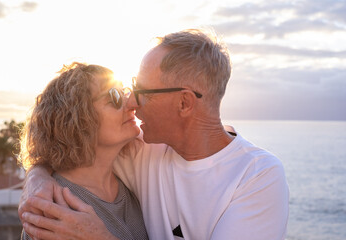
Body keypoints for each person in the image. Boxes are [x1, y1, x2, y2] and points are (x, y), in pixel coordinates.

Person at [19, 29, 289, 240]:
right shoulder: (142, 149)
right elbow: (67, 148)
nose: (132, 102)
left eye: (142, 91)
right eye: (127, 89)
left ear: (184, 103)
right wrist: (37, 181)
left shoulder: (256, 176)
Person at [18, 62, 148, 240]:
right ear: (77, 118)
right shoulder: (54, 208)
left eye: (124, 91)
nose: (132, 103)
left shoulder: (131, 180)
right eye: (115, 96)